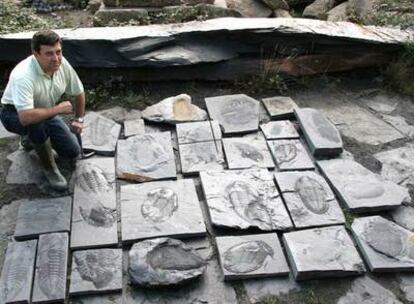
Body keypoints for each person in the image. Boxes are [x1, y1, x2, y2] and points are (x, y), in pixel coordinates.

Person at [0, 30, 85, 191]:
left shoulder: (61, 63)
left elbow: (79, 92)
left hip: (44, 111)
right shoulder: (23, 75)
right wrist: (57, 109)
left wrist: (78, 120)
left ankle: (30, 140)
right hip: (13, 114)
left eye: (58, 52)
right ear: (36, 54)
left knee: (72, 151)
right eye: (49, 54)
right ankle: (50, 169)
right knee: (36, 126)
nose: (56, 58)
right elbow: (25, 117)